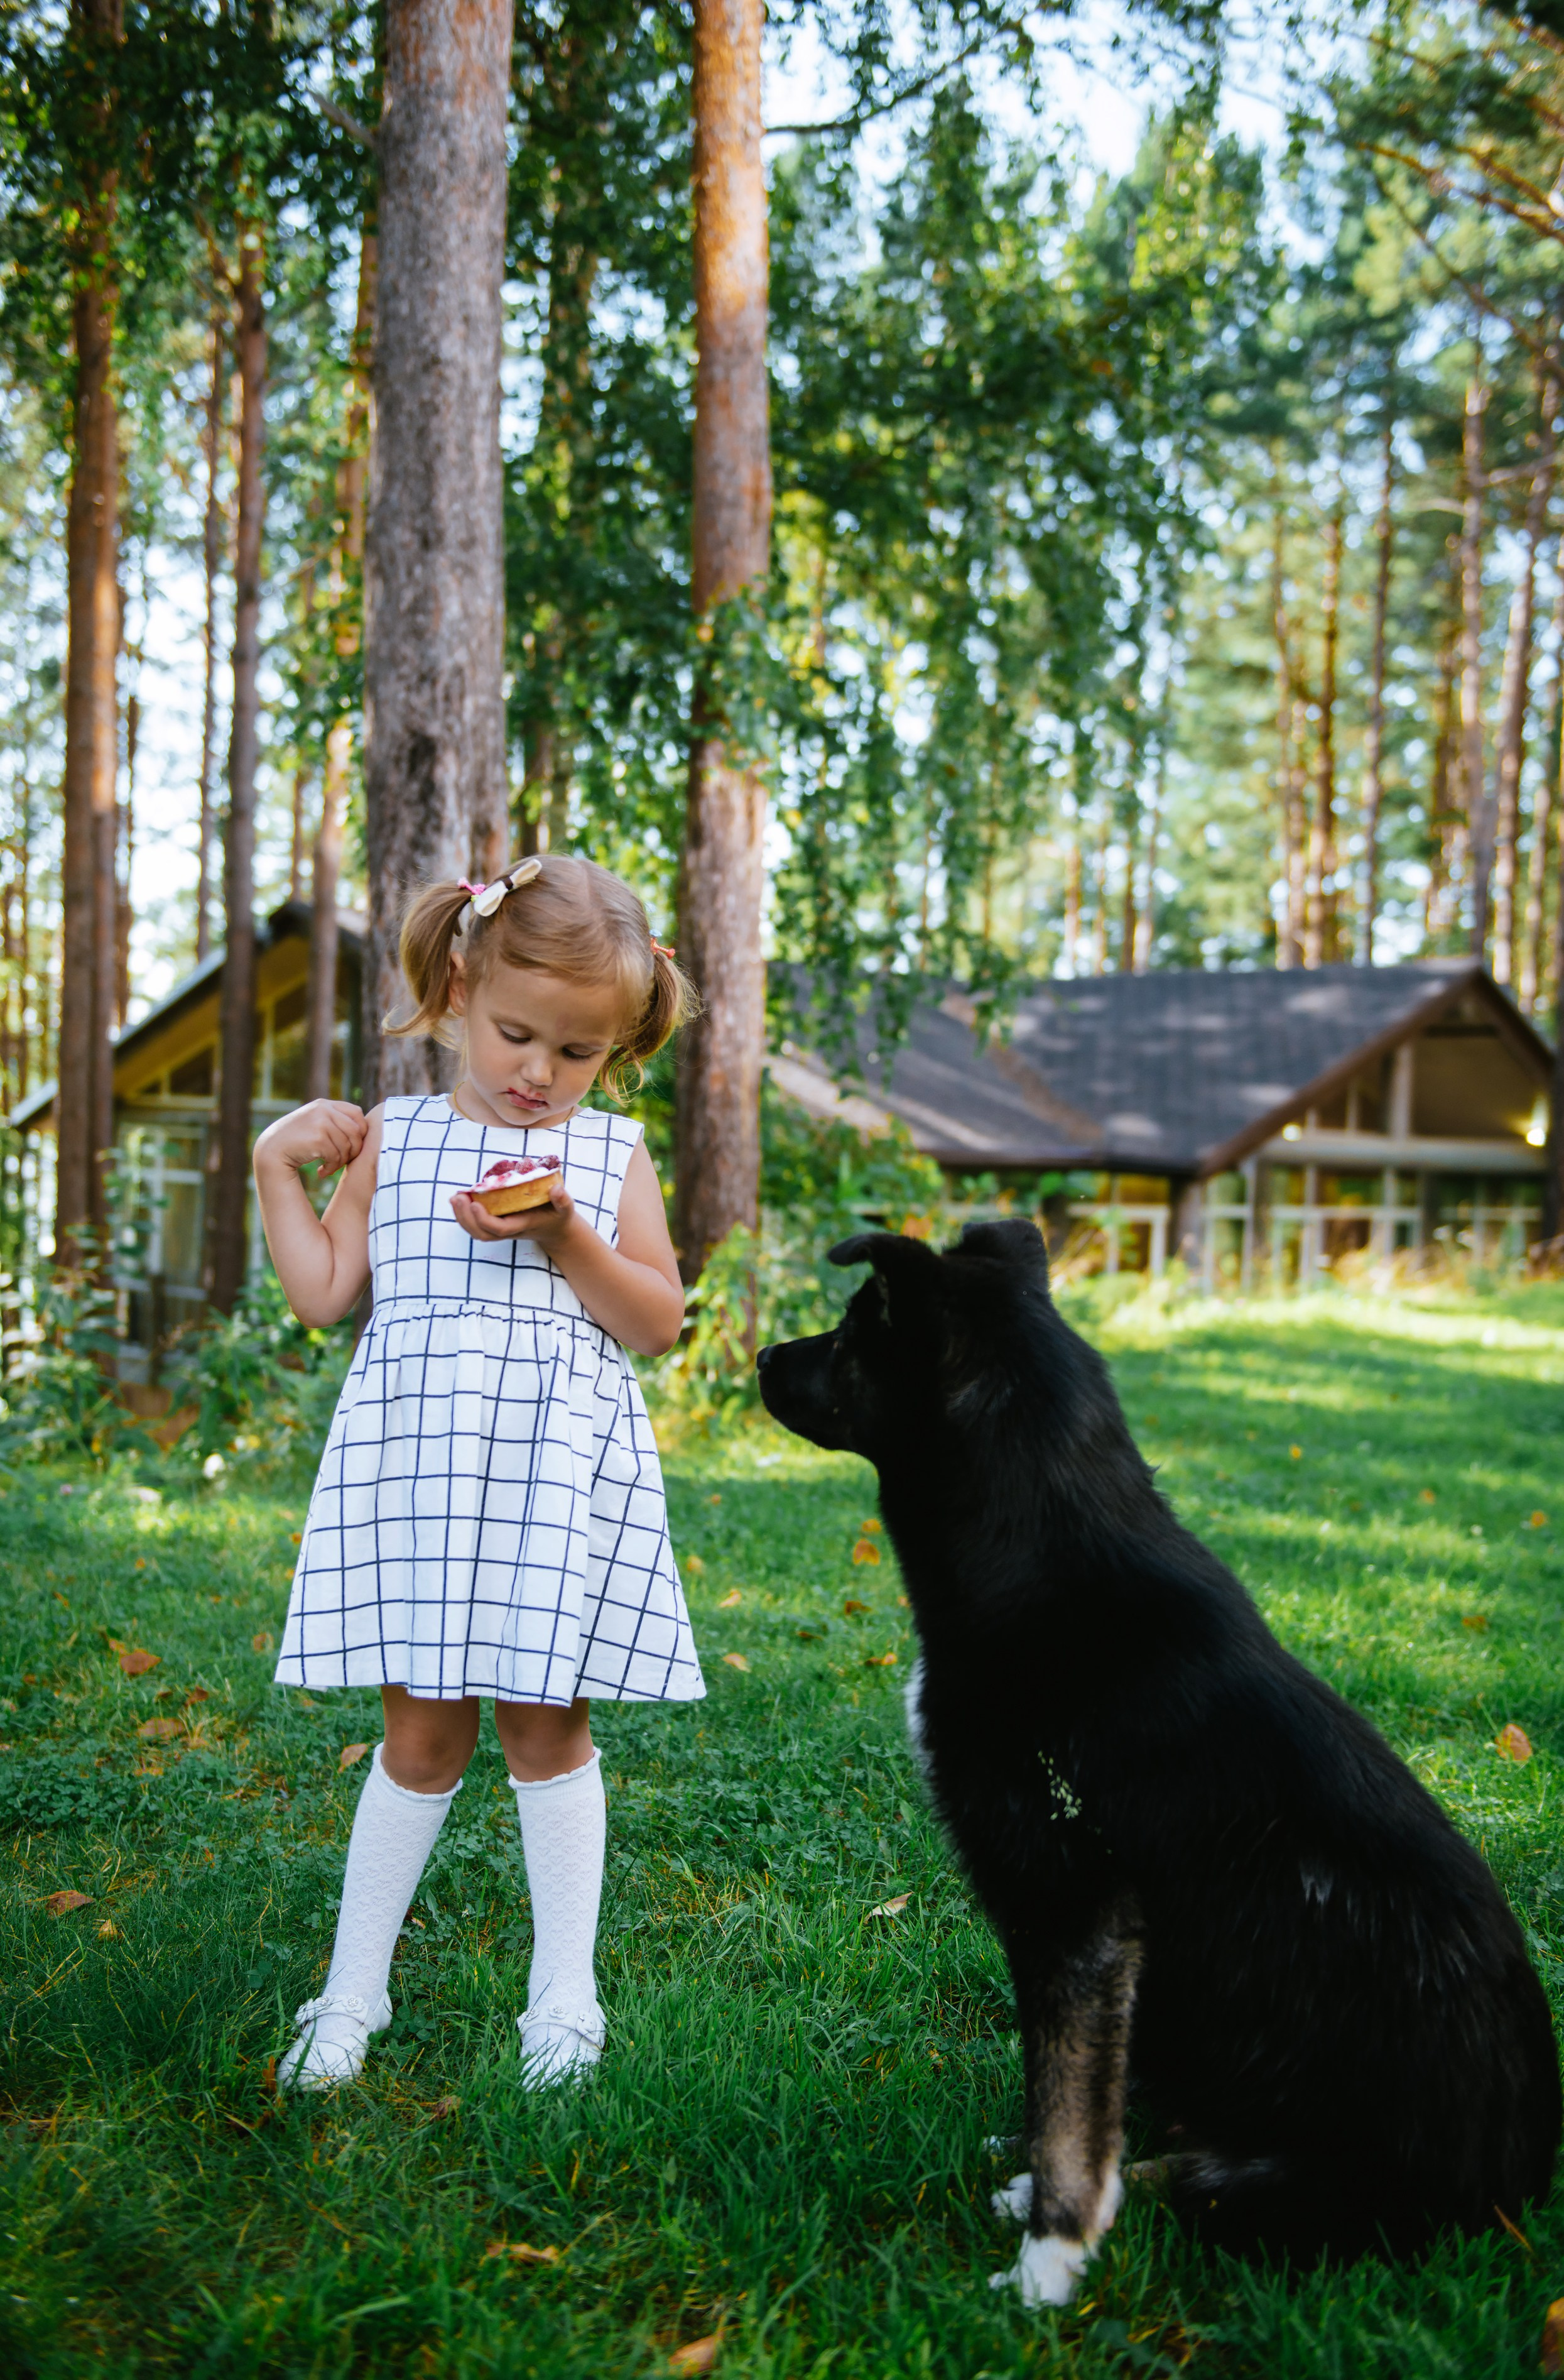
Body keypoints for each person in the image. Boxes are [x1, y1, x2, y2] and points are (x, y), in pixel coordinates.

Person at [252, 852, 704, 2093]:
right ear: (457, 991)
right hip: (423, 1487)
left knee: (548, 1723)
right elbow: (321, 1295)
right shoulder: (394, 1141)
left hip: (553, 1494)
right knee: (422, 1731)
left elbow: (658, 1319)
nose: (536, 1075)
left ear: (612, 1057)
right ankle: (352, 1989)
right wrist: (275, 1172)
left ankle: (564, 1993)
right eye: (515, 1035)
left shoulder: (606, 1158)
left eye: (574, 1054)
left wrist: (567, 1231)